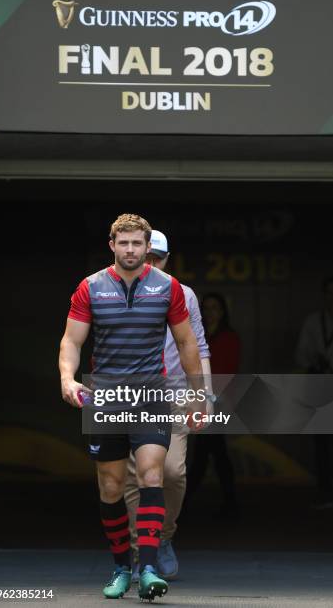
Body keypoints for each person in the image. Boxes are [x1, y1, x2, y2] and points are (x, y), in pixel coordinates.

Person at [59, 214, 204, 601]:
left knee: (153, 475)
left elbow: (189, 344)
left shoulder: (168, 287)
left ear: (147, 247)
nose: (130, 250)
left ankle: (150, 567)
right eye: (123, 243)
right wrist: (67, 378)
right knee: (110, 487)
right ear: (112, 245)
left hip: (151, 394)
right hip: (106, 396)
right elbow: (71, 342)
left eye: (137, 244)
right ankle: (122, 566)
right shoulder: (90, 287)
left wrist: (198, 393)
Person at [124, 230, 213, 582]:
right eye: (148, 257)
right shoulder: (114, 289)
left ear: (165, 258)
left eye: (158, 258)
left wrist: (201, 394)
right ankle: (137, 550)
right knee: (135, 477)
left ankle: (163, 538)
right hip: (129, 395)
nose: (151, 264)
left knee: (172, 472)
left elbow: (199, 346)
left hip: (174, 393)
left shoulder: (182, 293)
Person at [184, 292, 240, 516]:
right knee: (213, 454)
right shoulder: (197, 336)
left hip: (219, 402)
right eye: (206, 308)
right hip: (199, 400)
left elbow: (228, 371)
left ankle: (185, 501)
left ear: (223, 311)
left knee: (206, 455)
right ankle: (230, 502)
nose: (210, 312)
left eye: (214, 307)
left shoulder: (229, 337)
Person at [296, 276, 333, 509]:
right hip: (320, 385)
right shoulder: (314, 322)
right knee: (323, 441)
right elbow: (300, 355)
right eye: (329, 293)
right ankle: (326, 491)